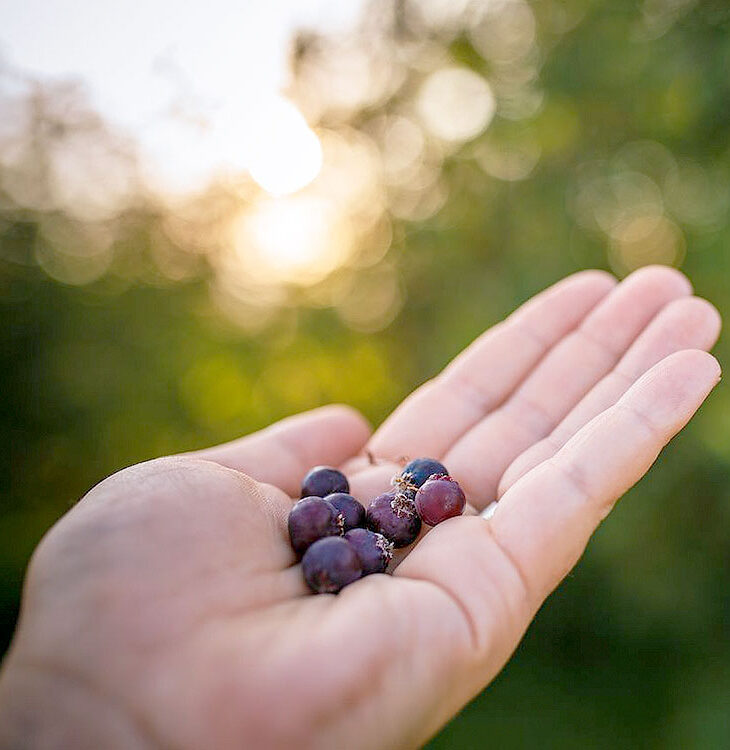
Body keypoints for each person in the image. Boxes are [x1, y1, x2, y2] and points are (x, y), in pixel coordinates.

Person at [0, 266, 721, 749]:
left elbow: (370, 525)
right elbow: (344, 530)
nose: (397, 511)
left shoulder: (376, 519)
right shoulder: (349, 528)